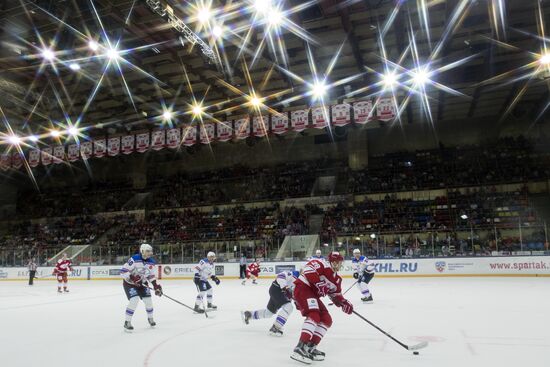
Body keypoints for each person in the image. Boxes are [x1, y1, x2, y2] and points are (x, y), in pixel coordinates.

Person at [290, 251, 353, 364]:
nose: (339, 264)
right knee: (313, 314)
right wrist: (319, 283)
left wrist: (344, 303)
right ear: (332, 262)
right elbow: (308, 270)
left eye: (340, 262)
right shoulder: (321, 263)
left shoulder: (337, 279)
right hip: (303, 288)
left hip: (312, 295)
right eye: (337, 262)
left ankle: (310, 347)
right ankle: (300, 347)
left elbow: (335, 295)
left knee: (326, 319)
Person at [241, 270, 299, 336]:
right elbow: (281, 276)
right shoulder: (295, 274)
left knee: (269, 313)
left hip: (280, 293)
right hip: (277, 290)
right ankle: (276, 328)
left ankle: (249, 315)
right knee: (289, 307)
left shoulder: (305, 284)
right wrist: (285, 287)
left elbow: (295, 294)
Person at [120, 244, 163, 332]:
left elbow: (150, 275)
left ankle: (150, 319)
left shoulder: (151, 262)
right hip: (130, 284)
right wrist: (133, 278)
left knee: (148, 301)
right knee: (134, 300)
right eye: (148, 251)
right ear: (142, 251)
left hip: (142, 283)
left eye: (150, 251)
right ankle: (127, 322)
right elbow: (123, 271)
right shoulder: (134, 259)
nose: (150, 253)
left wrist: (155, 286)